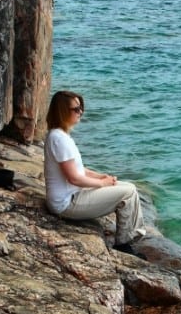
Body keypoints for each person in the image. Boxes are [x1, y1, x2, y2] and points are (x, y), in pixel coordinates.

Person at [44, 90, 146, 254]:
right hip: (67, 203)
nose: (81, 112)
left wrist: (101, 177)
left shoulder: (59, 135)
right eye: (76, 109)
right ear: (62, 111)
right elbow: (74, 178)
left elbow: (78, 169)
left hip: (71, 196)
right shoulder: (59, 139)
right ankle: (123, 244)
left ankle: (127, 238)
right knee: (128, 192)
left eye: (81, 107)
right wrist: (102, 184)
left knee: (128, 186)